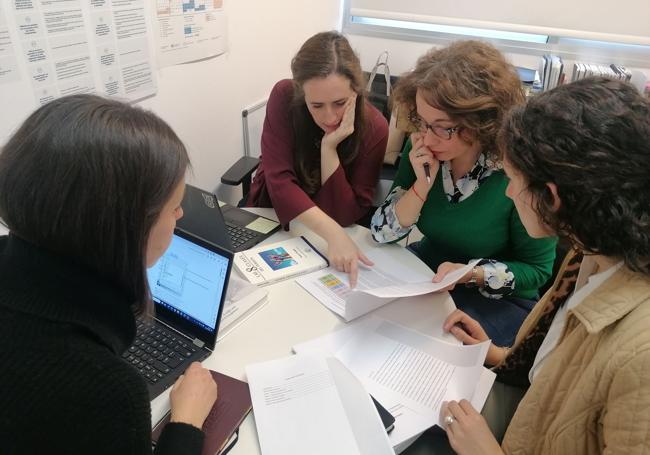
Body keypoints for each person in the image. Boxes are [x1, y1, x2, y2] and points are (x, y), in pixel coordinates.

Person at [439, 77, 650, 454]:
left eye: (513, 180)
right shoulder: (591, 251)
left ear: (551, 196)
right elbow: (561, 366)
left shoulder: (640, 357)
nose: (507, 191)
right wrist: (497, 353)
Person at [0, 94, 217, 454]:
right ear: (125, 228)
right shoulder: (103, 392)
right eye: (174, 207)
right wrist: (186, 424)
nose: (180, 217)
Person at [370, 41, 556, 346]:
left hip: (497, 299)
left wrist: (472, 274)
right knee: (374, 326)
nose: (427, 137)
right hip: (429, 274)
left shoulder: (516, 172)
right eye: (422, 122)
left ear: (482, 122)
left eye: (443, 128)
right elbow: (381, 232)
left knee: (422, 348)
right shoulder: (423, 149)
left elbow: (537, 271)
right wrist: (421, 186)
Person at [246, 31, 389, 287]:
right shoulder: (283, 96)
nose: (330, 117)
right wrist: (332, 232)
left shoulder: (375, 127)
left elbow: (344, 214)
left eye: (340, 103)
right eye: (317, 105)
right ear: (302, 95)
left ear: (356, 91)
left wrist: (329, 149)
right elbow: (279, 183)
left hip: (331, 234)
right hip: (279, 219)